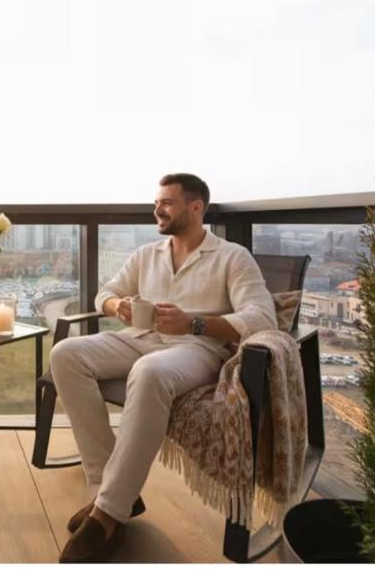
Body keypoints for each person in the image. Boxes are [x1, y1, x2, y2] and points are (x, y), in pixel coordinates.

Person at [52, 173, 276, 563]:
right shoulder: (147, 255)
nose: (158, 208)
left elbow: (261, 318)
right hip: (140, 338)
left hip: (196, 348)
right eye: (157, 201)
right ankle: (108, 488)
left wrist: (194, 323)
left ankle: (107, 513)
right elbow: (105, 292)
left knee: (150, 372)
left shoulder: (231, 257)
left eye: (167, 202)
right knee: (66, 355)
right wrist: (114, 307)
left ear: (195, 207)